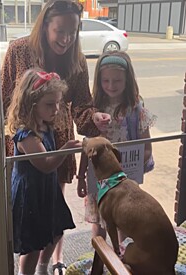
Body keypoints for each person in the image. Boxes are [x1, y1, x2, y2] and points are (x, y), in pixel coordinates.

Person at [0, 1, 109, 273]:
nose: (66, 38)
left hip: (58, 140)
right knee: (28, 216)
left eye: (73, 32)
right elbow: (3, 101)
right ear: (45, 25)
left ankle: (50, 264)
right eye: (60, 30)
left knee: (53, 211)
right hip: (23, 143)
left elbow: (83, 105)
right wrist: (11, 145)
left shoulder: (77, 59)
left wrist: (93, 118)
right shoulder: (18, 50)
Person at [76, 51, 157, 251]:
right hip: (98, 179)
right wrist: (80, 176)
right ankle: (100, 260)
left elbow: (146, 148)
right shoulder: (93, 109)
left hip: (125, 184)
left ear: (127, 80)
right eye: (106, 80)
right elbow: (87, 145)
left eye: (117, 80)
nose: (111, 86)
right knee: (98, 222)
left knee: (124, 222)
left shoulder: (136, 109)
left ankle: (122, 262)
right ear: (99, 80)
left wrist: (134, 166)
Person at [6, 68, 82, 275]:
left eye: (58, 102)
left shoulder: (45, 127)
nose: (56, 109)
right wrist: (66, 149)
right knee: (33, 243)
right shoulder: (26, 135)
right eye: (50, 104)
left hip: (46, 188)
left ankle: (42, 268)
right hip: (30, 192)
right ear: (32, 105)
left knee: (55, 230)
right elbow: (45, 164)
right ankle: (26, 273)